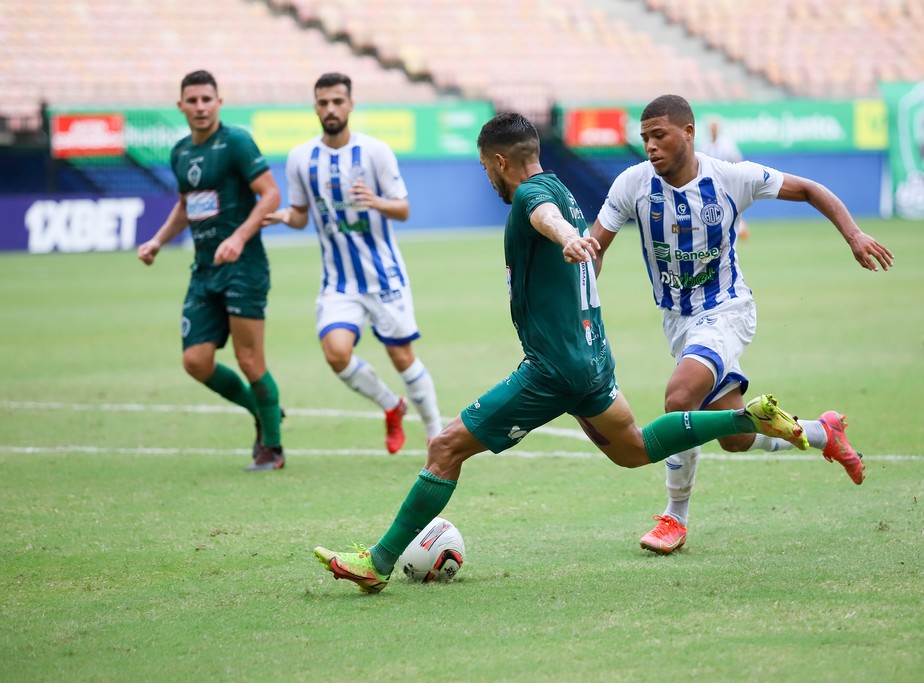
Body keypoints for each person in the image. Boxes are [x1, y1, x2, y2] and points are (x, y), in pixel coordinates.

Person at [311, 112, 807, 594]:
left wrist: (569, 238)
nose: (489, 179)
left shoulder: (533, 195)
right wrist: (572, 234)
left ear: (501, 161)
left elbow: (541, 217)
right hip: (590, 358)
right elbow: (554, 220)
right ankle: (747, 420)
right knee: (634, 449)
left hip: (551, 370)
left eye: (486, 168)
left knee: (445, 448)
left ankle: (376, 563)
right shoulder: (563, 191)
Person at [590, 94, 894, 554]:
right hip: (678, 323)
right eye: (645, 138)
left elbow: (811, 189)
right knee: (735, 437)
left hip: (727, 311)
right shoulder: (632, 184)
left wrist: (853, 234)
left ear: (688, 133)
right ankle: (819, 432)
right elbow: (596, 246)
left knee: (679, 398)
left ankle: (675, 517)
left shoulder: (732, 177)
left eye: (660, 135)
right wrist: (579, 298)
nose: (650, 146)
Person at [263, 72, 441, 453]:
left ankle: (435, 432)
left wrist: (375, 201)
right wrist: (282, 217)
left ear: (350, 105)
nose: (330, 109)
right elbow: (299, 215)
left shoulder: (374, 151)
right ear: (315, 107)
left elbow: (404, 209)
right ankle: (391, 406)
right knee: (336, 353)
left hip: (383, 276)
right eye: (323, 102)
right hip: (338, 282)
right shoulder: (300, 158)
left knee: (401, 356)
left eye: (337, 101)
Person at [137, 70, 286, 472]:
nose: (201, 107)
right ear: (181, 105)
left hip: (244, 266)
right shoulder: (181, 151)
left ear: (219, 102)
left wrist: (238, 237)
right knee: (196, 361)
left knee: (250, 360)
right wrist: (157, 240)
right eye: (193, 100)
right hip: (204, 270)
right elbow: (187, 205)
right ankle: (264, 409)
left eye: (207, 99)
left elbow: (271, 193)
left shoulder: (235, 141)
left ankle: (272, 447)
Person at [697, 117, 749, 238]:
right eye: (711, 128)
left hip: (726, 180)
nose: (713, 130)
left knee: (731, 205)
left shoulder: (727, 144)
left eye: (715, 127)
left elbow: (737, 161)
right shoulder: (703, 144)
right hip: (709, 181)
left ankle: (739, 228)